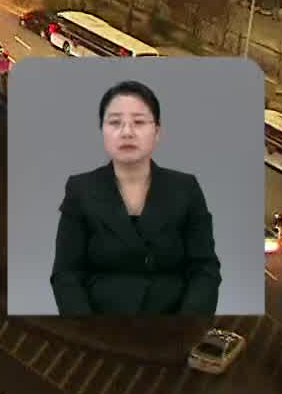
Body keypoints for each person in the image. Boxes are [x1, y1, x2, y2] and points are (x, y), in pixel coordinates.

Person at [48, 80, 221, 316]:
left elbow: (205, 269)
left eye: (139, 122)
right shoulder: (80, 189)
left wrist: (185, 326)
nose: (127, 132)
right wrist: (86, 329)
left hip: (172, 327)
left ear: (157, 132)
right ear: (102, 130)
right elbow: (66, 274)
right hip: (100, 329)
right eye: (115, 122)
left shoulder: (186, 189)